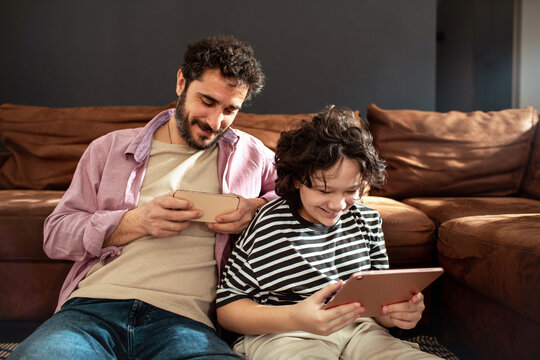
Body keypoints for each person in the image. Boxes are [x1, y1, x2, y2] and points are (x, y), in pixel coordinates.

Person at [11, 35, 277, 360]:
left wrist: (257, 208)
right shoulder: (108, 149)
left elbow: (301, 200)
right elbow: (56, 236)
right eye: (207, 102)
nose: (214, 122)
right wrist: (135, 222)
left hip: (187, 325)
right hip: (93, 312)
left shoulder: (252, 156)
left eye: (229, 110)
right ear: (182, 82)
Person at [216, 105, 442, 360]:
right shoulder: (269, 224)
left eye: (350, 191)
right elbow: (227, 308)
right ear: (299, 178)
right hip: (286, 333)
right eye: (324, 191)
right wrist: (294, 317)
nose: (337, 205)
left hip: (360, 330)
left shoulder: (367, 221)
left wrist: (396, 313)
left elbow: (378, 306)